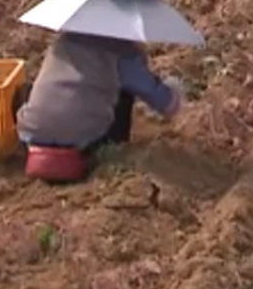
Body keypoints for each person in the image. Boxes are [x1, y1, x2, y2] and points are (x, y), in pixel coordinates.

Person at [16, 32, 183, 183]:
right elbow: (162, 101)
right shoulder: (120, 50)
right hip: (82, 139)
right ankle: (112, 146)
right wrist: (174, 92)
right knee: (123, 90)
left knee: (31, 92)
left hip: (33, 132)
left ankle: (27, 145)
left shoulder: (64, 40)